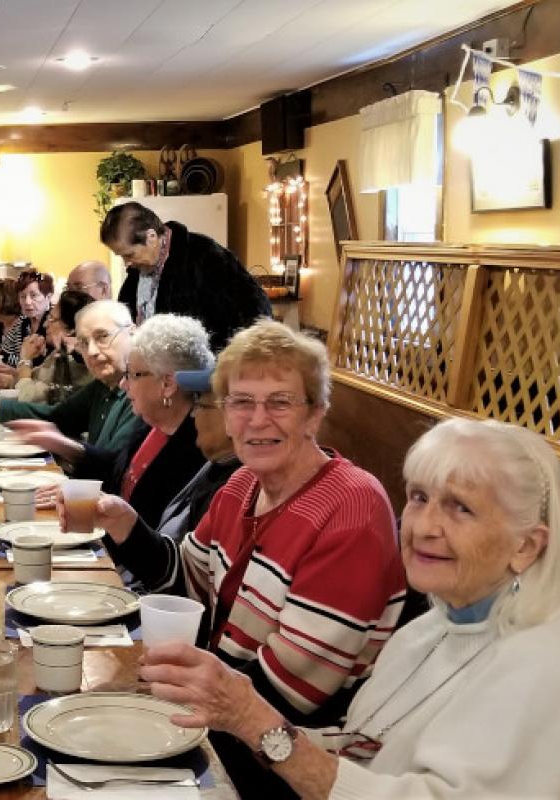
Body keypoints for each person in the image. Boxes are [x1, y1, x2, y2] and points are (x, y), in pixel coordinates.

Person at [141, 417, 560, 799]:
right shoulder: (433, 625)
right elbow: (362, 748)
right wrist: (236, 718)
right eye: (419, 497)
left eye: (461, 508)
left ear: (526, 546)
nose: (423, 526)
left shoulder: (544, 665)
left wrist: (253, 719)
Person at [155, 319, 408, 797]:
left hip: (295, 761)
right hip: (228, 728)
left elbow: (290, 696)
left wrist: (163, 719)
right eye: (241, 402)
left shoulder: (352, 508)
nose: (257, 420)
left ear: (315, 415)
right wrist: (122, 524)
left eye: (280, 402)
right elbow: (181, 584)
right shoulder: (241, 486)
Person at [57, 314, 211, 560]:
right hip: (108, 553)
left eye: (132, 374)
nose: (123, 384)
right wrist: (74, 486)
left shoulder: (198, 448)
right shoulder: (153, 424)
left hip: (131, 570)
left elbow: (159, 548)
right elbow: (119, 471)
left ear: (168, 384)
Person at [93, 364, 240, 594]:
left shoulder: (234, 484)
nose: (193, 414)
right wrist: (124, 524)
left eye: (201, 405)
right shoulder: (216, 467)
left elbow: (194, 594)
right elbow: (184, 574)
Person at [0, 300, 141, 468]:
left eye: (103, 336)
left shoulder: (142, 393)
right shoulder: (103, 386)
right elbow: (56, 417)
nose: (92, 351)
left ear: (132, 333)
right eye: (84, 342)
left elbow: (116, 469)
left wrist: (65, 446)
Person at [101, 201, 270, 347]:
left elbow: (255, 309)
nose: (126, 263)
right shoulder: (138, 270)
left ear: (151, 237)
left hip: (202, 368)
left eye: (129, 255)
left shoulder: (205, 255)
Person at [3, 289, 93, 402]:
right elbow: (32, 379)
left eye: (51, 319)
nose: (45, 324)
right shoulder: (60, 351)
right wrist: (13, 377)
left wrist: (25, 360)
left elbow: (27, 397)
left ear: (71, 329)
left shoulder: (74, 360)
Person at [0, 269, 53, 368]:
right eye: (22, 296)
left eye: (34, 295)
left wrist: (23, 360)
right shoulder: (21, 321)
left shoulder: (54, 323)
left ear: (48, 297)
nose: (27, 302)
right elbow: (4, 355)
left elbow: (48, 364)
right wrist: (24, 361)